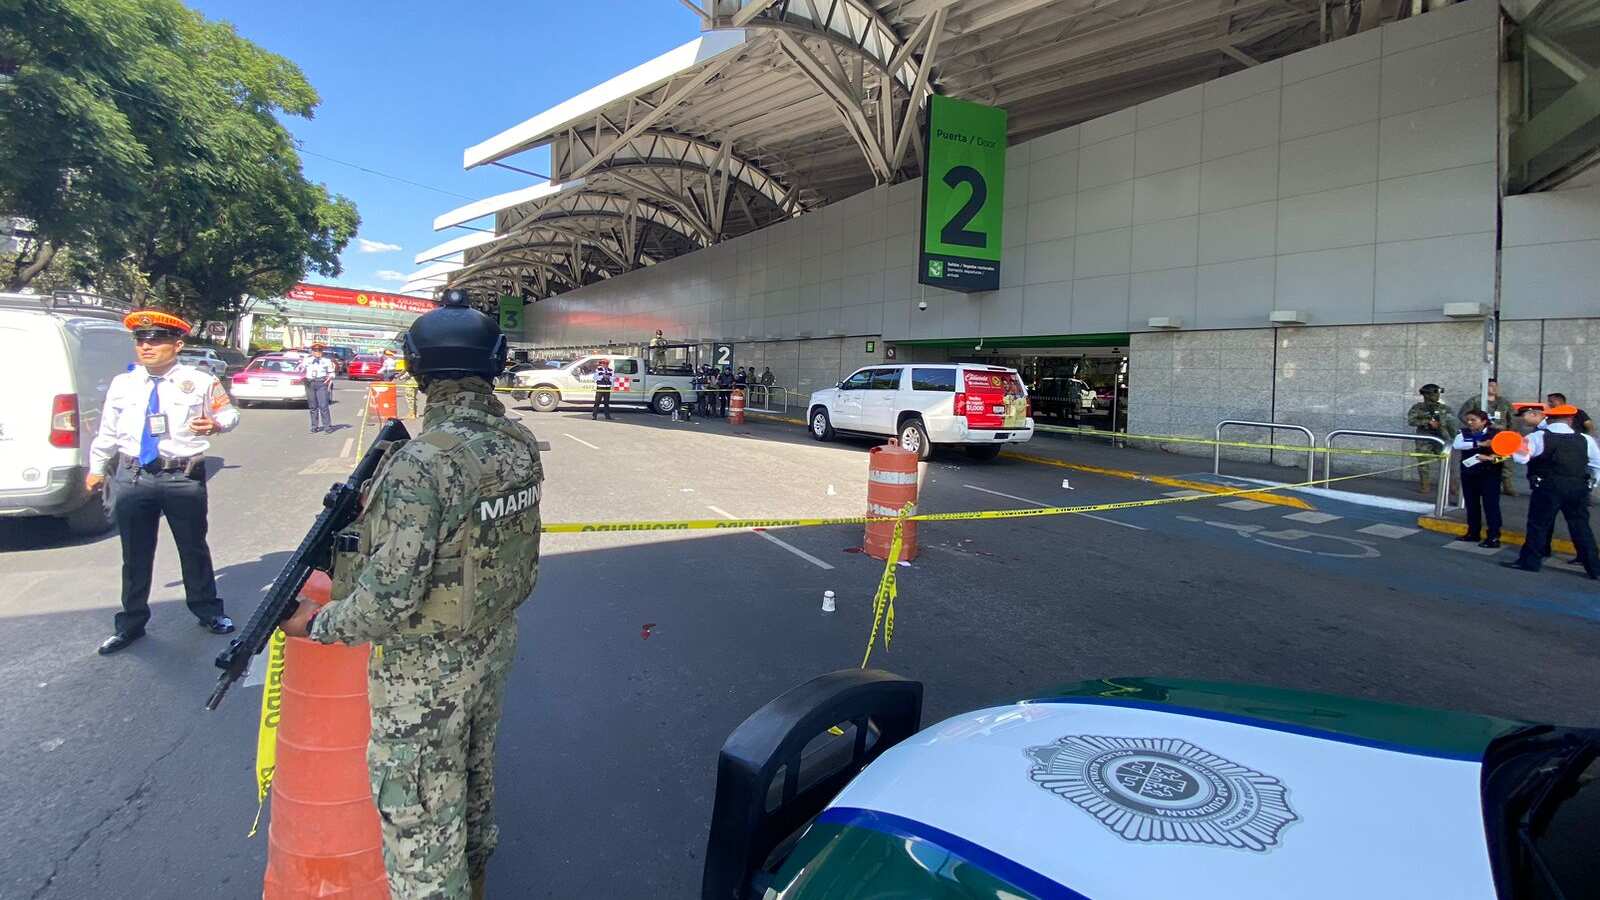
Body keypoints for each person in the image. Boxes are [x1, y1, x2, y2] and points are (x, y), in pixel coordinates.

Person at [281, 289, 544, 899]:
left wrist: (312, 624)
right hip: (491, 645)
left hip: (421, 675)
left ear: (418, 371)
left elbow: (387, 601)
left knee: (422, 826)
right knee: (474, 792)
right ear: (494, 366)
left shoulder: (422, 463)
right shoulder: (518, 445)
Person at [88, 309, 239, 655]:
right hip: (133, 475)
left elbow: (229, 413)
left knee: (193, 547)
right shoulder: (123, 384)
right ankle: (131, 623)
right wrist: (97, 467)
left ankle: (207, 611)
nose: (146, 346)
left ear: (177, 344)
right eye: (141, 340)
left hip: (181, 477)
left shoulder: (199, 380)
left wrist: (217, 425)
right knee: (135, 554)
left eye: (156, 340)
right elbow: (107, 431)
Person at [1501, 405, 1599, 579]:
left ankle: (1530, 562)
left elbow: (1521, 459)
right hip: (1577, 487)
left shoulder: (1537, 437)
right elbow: (1596, 464)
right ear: (1570, 420)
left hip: (1548, 486)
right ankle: (1594, 568)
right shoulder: (1585, 439)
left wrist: (1514, 446)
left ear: (1549, 419)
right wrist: (1591, 484)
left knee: (1538, 525)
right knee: (1581, 527)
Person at [1452, 410, 1503, 548]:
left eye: (1473, 420)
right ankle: (1473, 532)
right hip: (1469, 473)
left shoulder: (1497, 434)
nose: (1469, 423)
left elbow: (1506, 454)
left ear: (1484, 421)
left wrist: (1492, 458)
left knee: (1491, 505)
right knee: (1471, 504)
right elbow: (1457, 444)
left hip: (1490, 474)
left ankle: (1493, 536)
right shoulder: (1463, 432)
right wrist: (1480, 444)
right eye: (1468, 420)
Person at [1460, 378, 1516, 496]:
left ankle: (1507, 485)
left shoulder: (1504, 402)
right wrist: (1474, 427)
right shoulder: (1475, 401)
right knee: (1484, 458)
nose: (1494, 388)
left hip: (1502, 435)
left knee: (1505, 459)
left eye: (1496, 386)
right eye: (1490, 385)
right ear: (1484, 387)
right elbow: (1462, 415)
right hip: (1483, 435)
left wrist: (1510, 433)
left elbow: (1512, 418)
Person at [1406, 383, 1458, 496]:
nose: (1437, 395)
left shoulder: (1444, 408)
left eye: (1438, 393)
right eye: (1435, 393)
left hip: (1441, 438)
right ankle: (1425, 486)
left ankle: (1453, 487)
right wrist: (1427, 422)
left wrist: (1452, 438)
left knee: (1448, 463)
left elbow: (1453, 424)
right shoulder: (1418, 407)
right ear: (1427, 394)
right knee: (1423, 463)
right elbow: (1411, 421)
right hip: (1424, 438)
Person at [302, 343, 337, 433]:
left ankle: (327, 426)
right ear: (312, 351)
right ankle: (314, 426)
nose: (318, 352)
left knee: (323, 405)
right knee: (313, 406)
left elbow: (332, 373)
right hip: (310, 383)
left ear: (322, 351)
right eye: (315, 350)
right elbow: (300, 370)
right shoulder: (306, 360)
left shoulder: (327, 361)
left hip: (321, 383)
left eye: (319, 350)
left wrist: (329, 378)